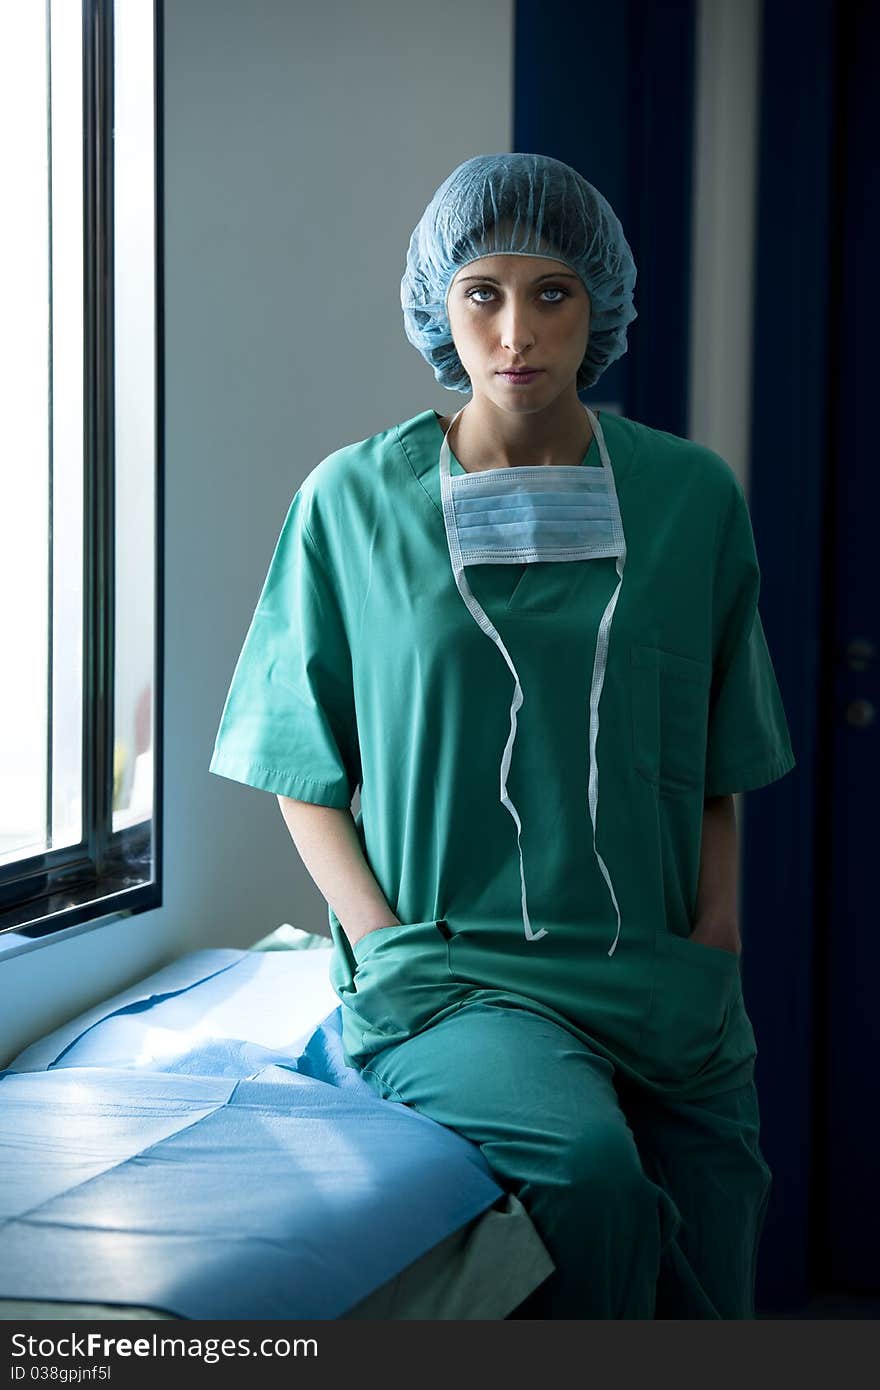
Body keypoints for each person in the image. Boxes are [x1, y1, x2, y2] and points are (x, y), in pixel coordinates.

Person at [209, 152, 796, 1318]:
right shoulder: (351, 505)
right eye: (481, 291)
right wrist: (376, 939)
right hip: (451, 970)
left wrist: (716, 927)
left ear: (601, 307)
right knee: (594, 1180)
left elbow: (719, 748)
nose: (515, 329)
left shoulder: (689, 499)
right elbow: (298, 762)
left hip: (661, 971)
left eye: (553, 292)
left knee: (719, 1242)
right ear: (438, 301)